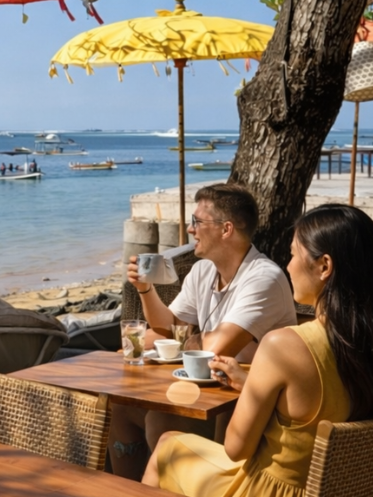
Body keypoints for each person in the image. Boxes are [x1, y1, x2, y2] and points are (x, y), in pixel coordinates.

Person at [142, 203, 373, 497]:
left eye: (293, 255)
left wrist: (254, 392)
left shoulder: (286, 346)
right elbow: (324, 403)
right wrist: (252, 384)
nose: (287, 266)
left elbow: (237, 449)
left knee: (167, 446)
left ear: (324, 266)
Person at [109, 184, 297, 480]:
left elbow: (217, 346)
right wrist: (145, 289)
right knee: (121, 409)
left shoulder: (264, 278)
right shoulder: (203, 271)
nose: (190, 228)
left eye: (197, 221)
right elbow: (170, 324)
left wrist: (176, 340)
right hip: (210, 394)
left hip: (249, 408)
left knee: (161, 419)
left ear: (226, 229)